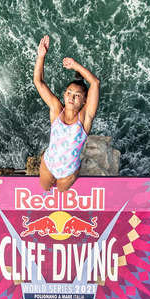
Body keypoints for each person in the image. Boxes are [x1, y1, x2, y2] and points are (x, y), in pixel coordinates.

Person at [34, 35, 100, 192]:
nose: (72, 97)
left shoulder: (84, 118)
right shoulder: (57, 110)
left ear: (84, 101)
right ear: (64, 95)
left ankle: (74, 174)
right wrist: (41, 56)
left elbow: (95, 83)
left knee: (61, 192)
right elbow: (39, 82)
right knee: (45, 188)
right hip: (48, 164)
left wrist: (76, 66)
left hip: (68, 172)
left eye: (77, 95)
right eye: (69, 93)